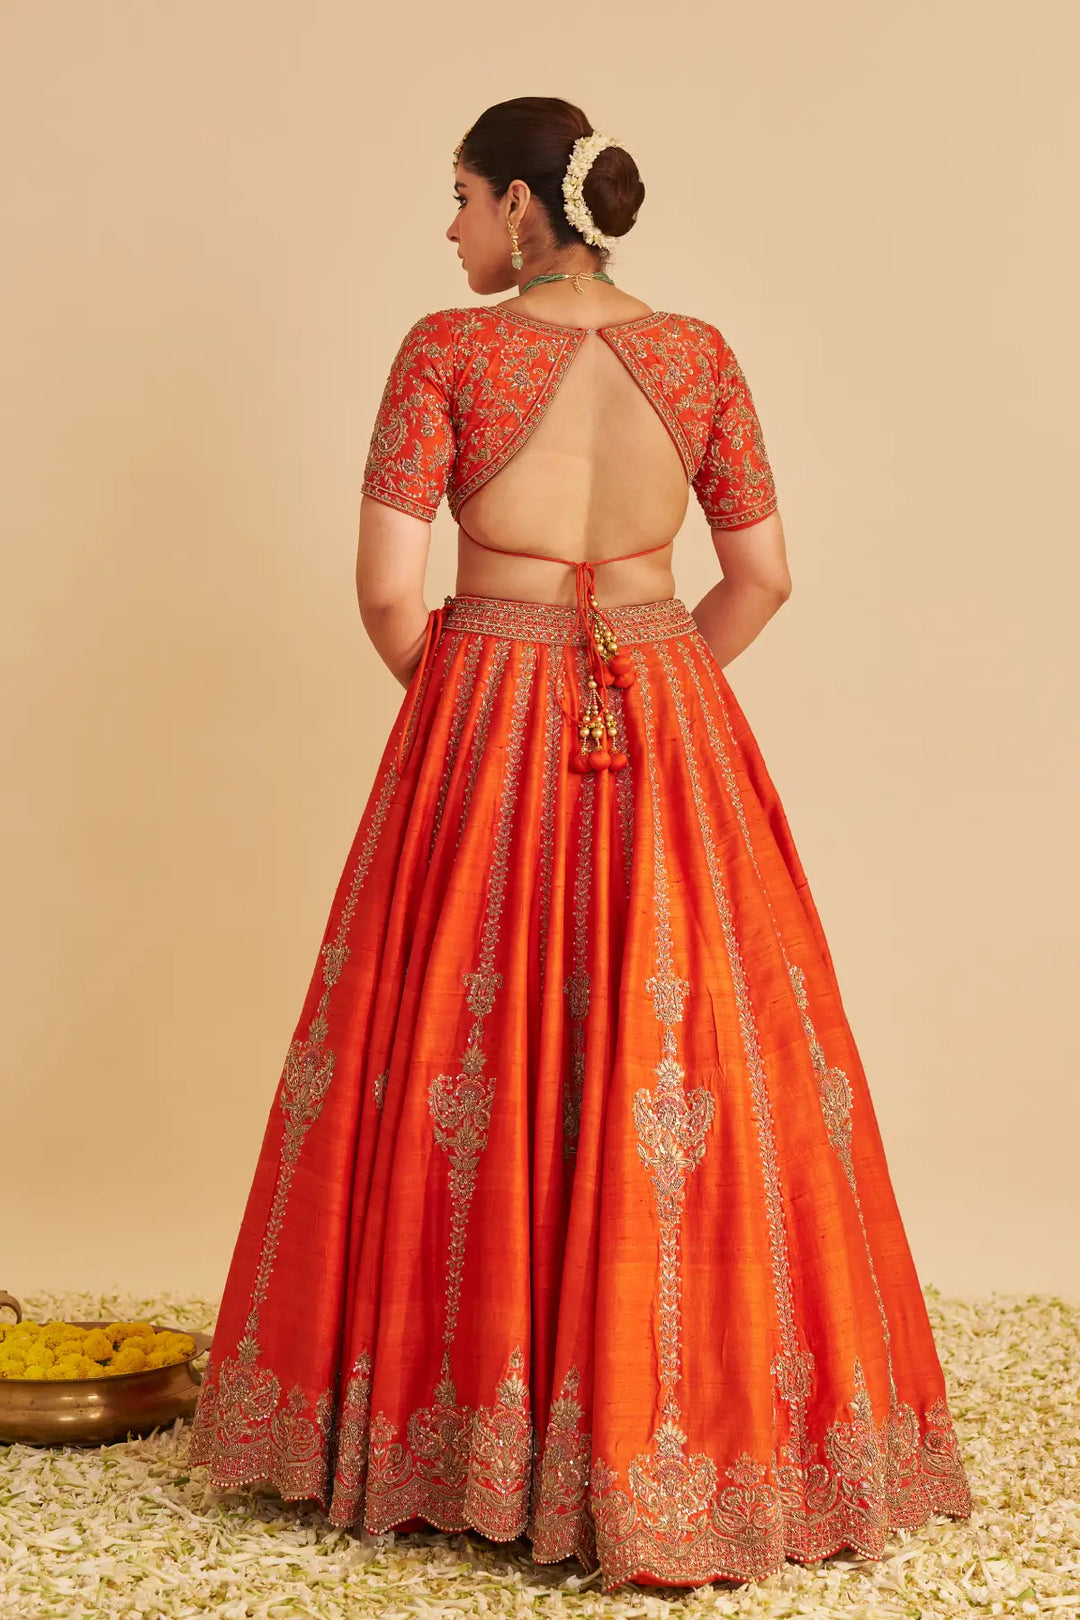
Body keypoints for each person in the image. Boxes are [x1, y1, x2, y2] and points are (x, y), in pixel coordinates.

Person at [187, 96, 973, 1591]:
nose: (450, 229)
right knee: (686, 1056)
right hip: (665, 698)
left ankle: (455, 1442)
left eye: (462, 196)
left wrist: (468, 709)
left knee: (452, 1051)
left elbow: (385, 590)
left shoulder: (447, 348)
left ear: (521, 207)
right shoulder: (701, 354)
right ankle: (687, 1429)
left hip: (487, 687)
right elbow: (762, 575)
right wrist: (662, 691)